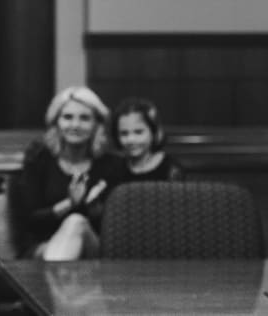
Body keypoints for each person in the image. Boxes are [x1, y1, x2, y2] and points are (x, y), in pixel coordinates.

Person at [18, 86, 123, 261]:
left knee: (76, 222)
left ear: (97, 125)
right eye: (67, 117)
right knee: (73, 222)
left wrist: (95, 210)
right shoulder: (39, 159)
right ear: (56, 122)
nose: (75, 125)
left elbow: (118, 230)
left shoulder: (111, 164)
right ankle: (60, 283)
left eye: (84, 118)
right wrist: (69, 203)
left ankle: (55, 286)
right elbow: (29, 220)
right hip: (44, 248)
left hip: (95, 252)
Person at [111, 97, 184, 183]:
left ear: (154, 132)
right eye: (124, 133)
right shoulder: (115, 168)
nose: (131, 139)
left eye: (138, 132)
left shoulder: (170, 169)